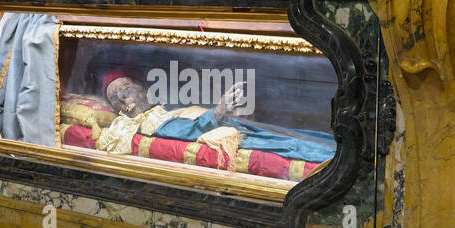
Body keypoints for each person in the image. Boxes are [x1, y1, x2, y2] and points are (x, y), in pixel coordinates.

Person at [97, 70, 334, 165]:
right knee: (296, 144)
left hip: (233, 127)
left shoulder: (159, 110)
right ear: (119, 107)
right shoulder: (146, 123)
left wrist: (227, 112)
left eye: (128, 86)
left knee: (301, 135)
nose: (126, 93)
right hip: (229, 137)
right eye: (117, 95)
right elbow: (183, 132)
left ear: (141, 87)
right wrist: (219, 110)